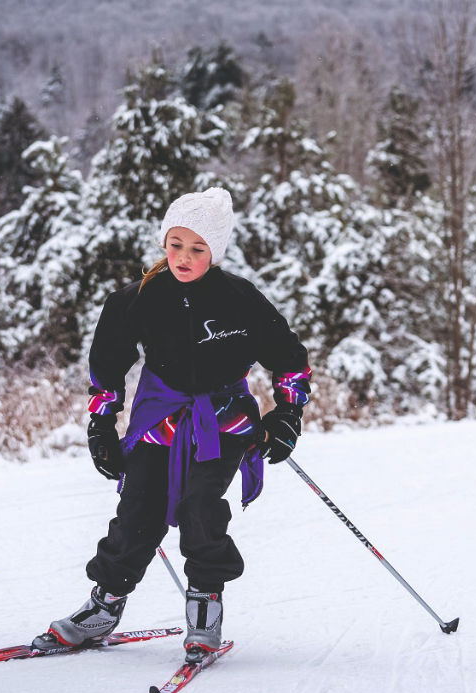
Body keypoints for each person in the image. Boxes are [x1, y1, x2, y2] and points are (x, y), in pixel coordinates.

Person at [31, 187, 311, 660]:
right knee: (138, 507)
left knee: (199, 506)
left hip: (223, 419)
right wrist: (101, 427)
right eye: (176, 243)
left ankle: (205, 606)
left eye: (197, 248)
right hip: (159, 417)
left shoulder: (239, 299)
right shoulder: (136, 301)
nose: (183, 256)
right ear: (164, 241)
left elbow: (290, 360)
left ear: (214, 252)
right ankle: (104, 606)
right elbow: (107, 368)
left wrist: (287, 415)